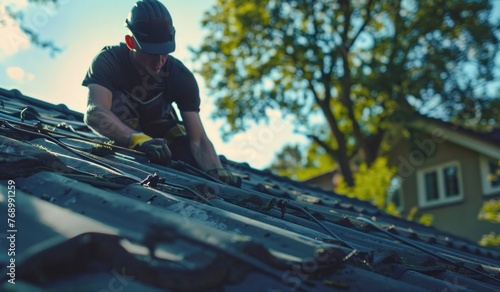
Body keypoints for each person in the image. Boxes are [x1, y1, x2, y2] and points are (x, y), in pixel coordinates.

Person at [82, 0, 239, 186]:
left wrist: (216, 171)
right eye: (151, 52)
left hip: (165, 143)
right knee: (119, 103)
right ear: (131, 42)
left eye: (165, 51)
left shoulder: (179, 75)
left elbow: (199, 140)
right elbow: (95, 113)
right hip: (123, 140)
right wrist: (138, 140)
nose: (159, 61)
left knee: (187, 153)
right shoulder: (108, 60)